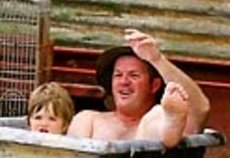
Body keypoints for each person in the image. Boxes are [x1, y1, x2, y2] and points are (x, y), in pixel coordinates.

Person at [67, 29, 210, 148]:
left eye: (134, 75)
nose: (124, 81)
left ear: (154, 85)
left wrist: (157, 60)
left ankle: (171, 127)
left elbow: (200, 108)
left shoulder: (155, 119)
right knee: (83, 118)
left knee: (156, 116)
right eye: (118, 75)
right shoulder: (91, 121)